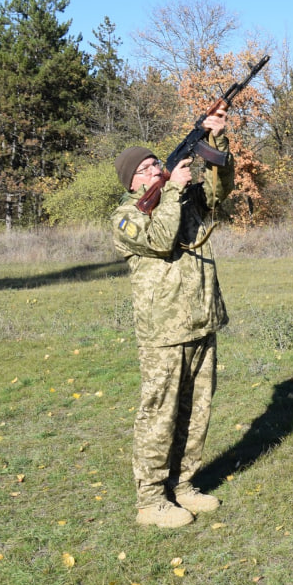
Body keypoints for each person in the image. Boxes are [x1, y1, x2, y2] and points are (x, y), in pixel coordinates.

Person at [110, 108, 232, 529]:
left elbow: (219, 192)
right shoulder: (127, 217)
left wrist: (215, 142)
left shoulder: (183, 199)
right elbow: (161, 241)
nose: (153, 170)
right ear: (132, 184)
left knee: (196, 411)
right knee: (159, 414)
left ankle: (182, 486)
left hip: (200, 320)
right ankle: (149, 500)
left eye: (154, 163)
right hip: (163, 332)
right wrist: (174, 191)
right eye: (144, 169)